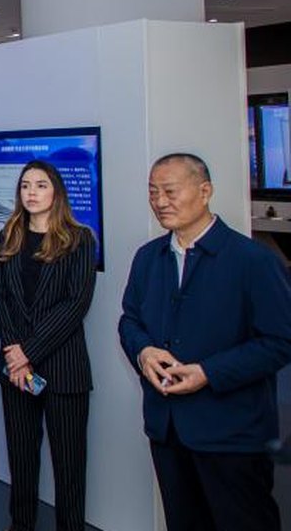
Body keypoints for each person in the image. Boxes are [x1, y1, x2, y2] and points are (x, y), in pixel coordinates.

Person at [119, 153, 291, 531]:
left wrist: (208, 372)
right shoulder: (148, 258)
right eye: (153, 192)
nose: (160, 202)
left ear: (205, 191)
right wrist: (143, 351)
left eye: (170, 191)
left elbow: (280, 341)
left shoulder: (253, 260)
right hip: (168, 430)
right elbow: (129, 320)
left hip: (233, 433)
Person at [0, 159, 96, 531]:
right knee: (21, 459)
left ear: (56, 192)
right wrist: (14, 351)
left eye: (40, 185)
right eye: (25, 186)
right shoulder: (8, 236)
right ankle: (21, 525)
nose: (31, 193)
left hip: (63, 368)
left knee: (69, 465)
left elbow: (76, 304)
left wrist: (27, 352)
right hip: (16, 370)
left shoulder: (80, 239)